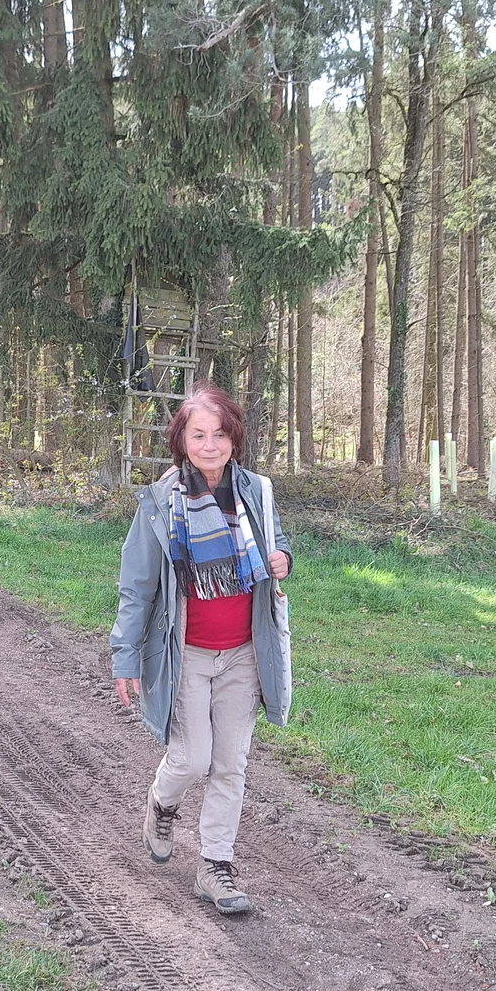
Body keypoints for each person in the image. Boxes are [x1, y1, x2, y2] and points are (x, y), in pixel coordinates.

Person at [110, 383, 292, 915]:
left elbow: (278, 546)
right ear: (182, 440)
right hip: (184, 652)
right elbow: (137, 586)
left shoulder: (257, 491)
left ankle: (216, 867)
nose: (210, 445)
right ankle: (162, 803)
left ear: (234, 438)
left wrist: (283, 558)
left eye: (219, 434)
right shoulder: (161, 503)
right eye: (198, 435)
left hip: (243, 652)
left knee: (230, 764)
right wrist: (125, 656)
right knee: (192, 759)